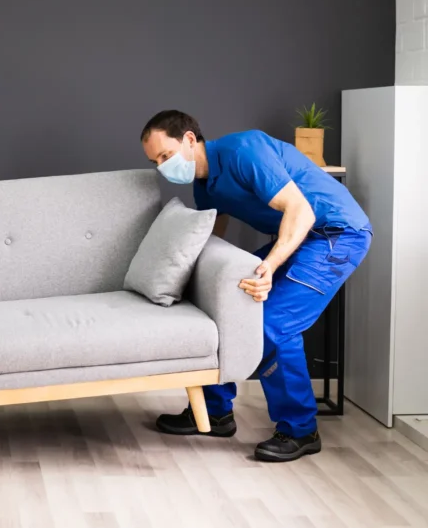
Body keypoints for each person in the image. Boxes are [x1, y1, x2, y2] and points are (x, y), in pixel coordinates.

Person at [140, 110, 371, 462]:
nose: (162, 167)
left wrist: (269, 267)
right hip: (299, 238)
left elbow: (301, 212)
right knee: (225, 307)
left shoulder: (244, 151)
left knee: (272, 325)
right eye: (155, 161)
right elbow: (213, 235)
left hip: (336, 235)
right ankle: (214, 414)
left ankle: (300, 430)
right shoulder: (204, 184)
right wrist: (197, 282)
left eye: (165, 155)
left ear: (189, 139)